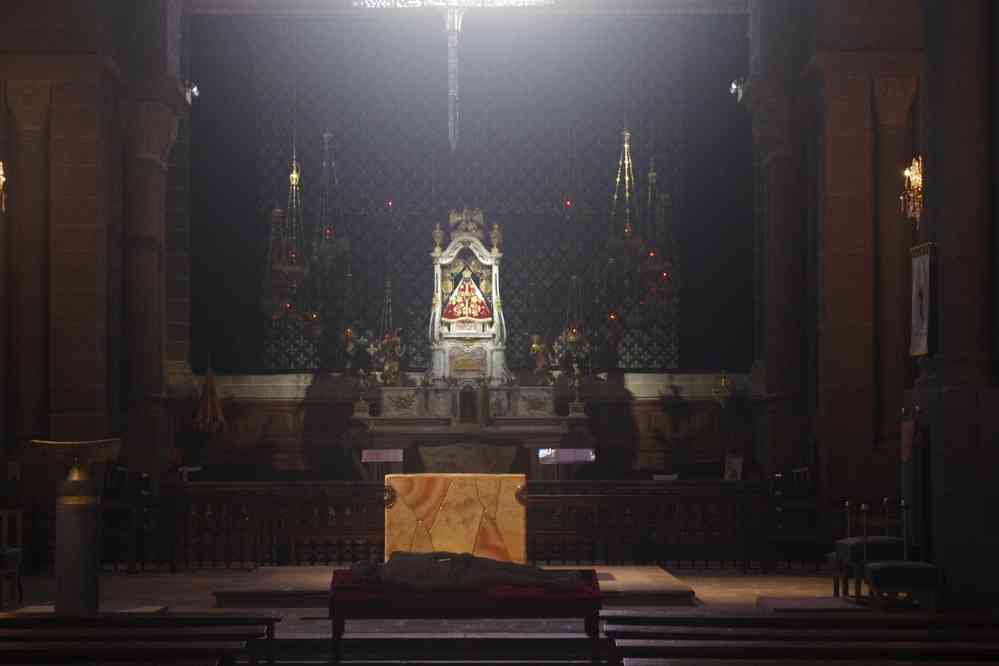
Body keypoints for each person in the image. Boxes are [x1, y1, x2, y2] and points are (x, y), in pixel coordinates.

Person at [351, 551, 581, 592]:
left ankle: (553, 575)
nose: (362, 562)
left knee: (509, 567)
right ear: (366, 574)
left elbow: (432, 554)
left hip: (459, 564)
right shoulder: (391, 578)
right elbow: (421, 587)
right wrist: (450, 579)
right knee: (508, 578)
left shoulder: (396, 557)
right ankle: (558, 583)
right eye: (360, 566)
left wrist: (457, 555)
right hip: (458, 578)